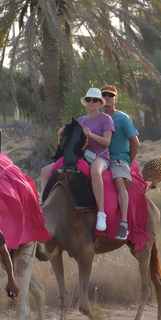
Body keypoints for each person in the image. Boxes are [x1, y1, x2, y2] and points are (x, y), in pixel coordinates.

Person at [40, 88, 114, 231]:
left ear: (100, 103)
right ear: (85, 102)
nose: (91, 102)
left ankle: (101, 213)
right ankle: (43, 205)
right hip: (82, 155)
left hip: (100, 156)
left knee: (95, 172)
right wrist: (63, 134)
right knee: (45, 171)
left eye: (94, 100)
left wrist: (91, 134)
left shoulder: (106, 119)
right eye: (88, 100)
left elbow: (107, 141)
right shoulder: (81, 120)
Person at [100, 84, 140, 240]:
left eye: (110, 95)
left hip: (118, 159)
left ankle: (123, 223)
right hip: (100, 158)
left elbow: (135, 143)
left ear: (115, 99)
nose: (107, 97)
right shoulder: (97, 117)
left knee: (118, 181)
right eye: (104, 94)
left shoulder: (122, 118)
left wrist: (127, 162)